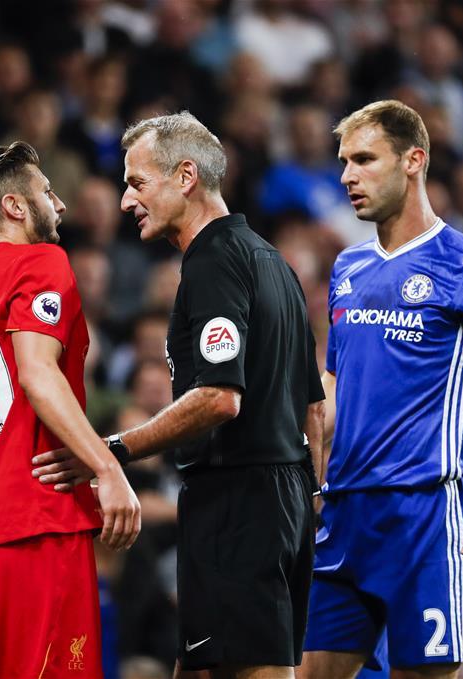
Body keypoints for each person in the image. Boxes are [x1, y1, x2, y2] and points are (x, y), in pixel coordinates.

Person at [34, 111, 324, 679]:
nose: (126, 201)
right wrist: (306, 500)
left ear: (185, 176)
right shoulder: (275, 263)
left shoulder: (213, 261)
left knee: (257, 671)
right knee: (199, 667)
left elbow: (219, 396)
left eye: (137, 182)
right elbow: (313, 409)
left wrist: (112, 451)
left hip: (240, 501)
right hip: (279, 498)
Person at [301, 101, 463, 679]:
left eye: (364, 160)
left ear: (413, 161)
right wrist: (305, 462)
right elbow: (336, 384)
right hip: (345, 514)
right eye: (344, 162)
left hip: (425, 516)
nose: (347, 176)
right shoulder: (348, 267)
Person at [0, 140, 140, 678]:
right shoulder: (39, 262)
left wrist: (6, 469)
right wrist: (106, 467)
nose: (61, 204)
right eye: (47, 192)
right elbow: (37, 373)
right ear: (15, 207)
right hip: (38, 524)